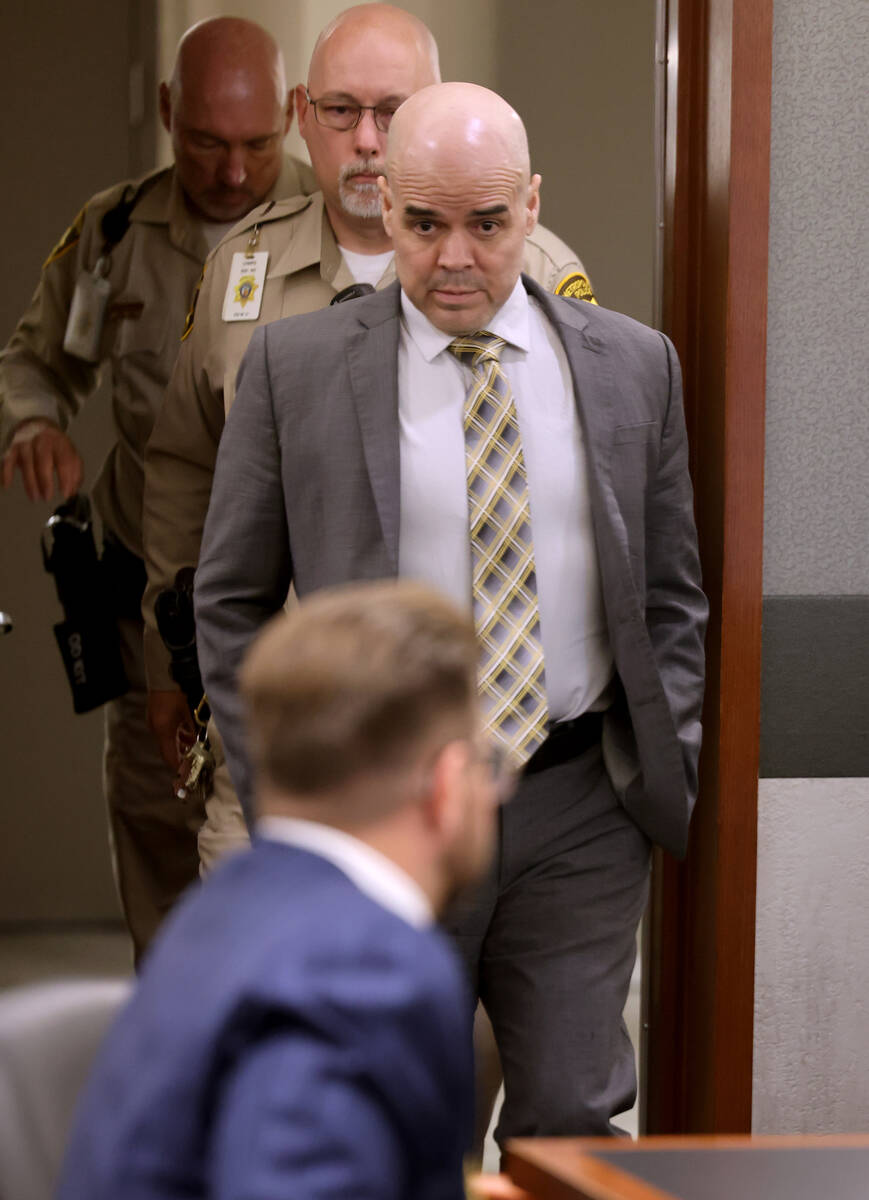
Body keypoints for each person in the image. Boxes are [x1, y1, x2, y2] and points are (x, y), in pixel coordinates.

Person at [194, 82, 708, 1145]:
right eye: (423, 225)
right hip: (384, 806)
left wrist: (667, 759)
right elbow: (231, 600)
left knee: (570, 1114)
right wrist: (290, 796)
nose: (455, 257)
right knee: (387, 1115)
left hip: (575, 802)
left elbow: (668, 596)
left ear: (530, 204)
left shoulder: (630, 367)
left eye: (486, 223)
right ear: (385, 208)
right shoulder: (297, 370)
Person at [141, 2, 597, 870]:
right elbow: (181, 471)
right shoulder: (242, 272)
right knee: (278, 980)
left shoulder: (534, 274)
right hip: (285, 720)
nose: (368, 141)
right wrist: (171, 663)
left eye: (394, 111)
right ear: (303, 114)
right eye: (342, 110)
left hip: (476, 738)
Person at [0, 17, 316, 962]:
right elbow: (37, 361)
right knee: (160, 833)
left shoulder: (336, 226)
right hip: (154, 599)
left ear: (294, 118)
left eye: (257, 144)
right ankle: (178, 1050)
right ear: (170, 114)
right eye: (206, 143)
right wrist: (34, 421)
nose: (230, 171)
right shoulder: (112, 233)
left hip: (293, 599)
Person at [56, 580, 499, 1199]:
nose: (498, 790)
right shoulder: (370, 974)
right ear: (448, 786)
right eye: (491, 763)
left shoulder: (223, 908)